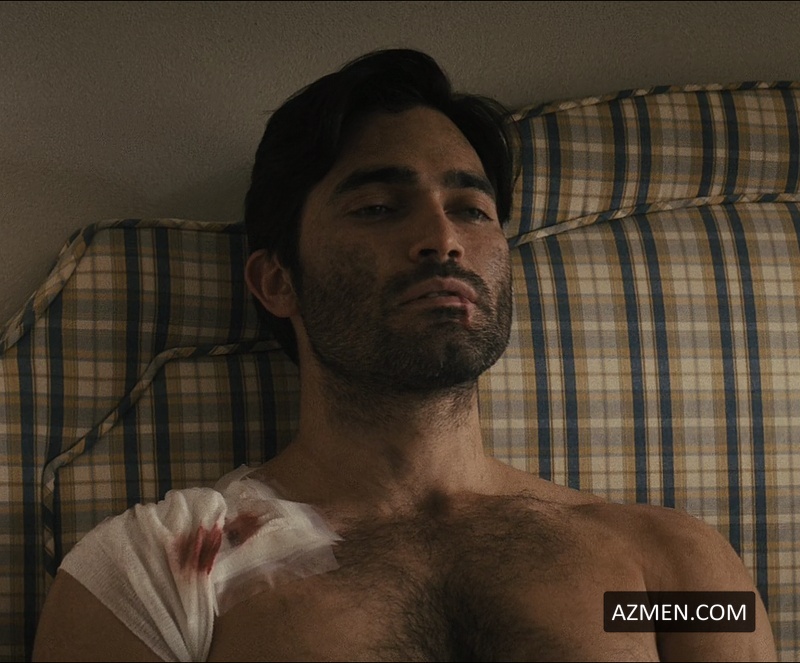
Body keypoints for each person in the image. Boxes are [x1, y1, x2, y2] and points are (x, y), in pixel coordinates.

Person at [33, 48, 776, 662]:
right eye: (379, 208)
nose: (443, 239)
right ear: (278, 281)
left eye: (472, 209)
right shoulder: (162, 573)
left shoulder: (666, 575)